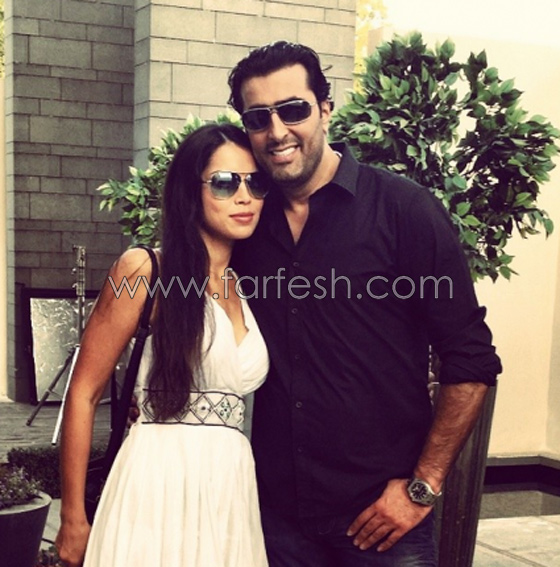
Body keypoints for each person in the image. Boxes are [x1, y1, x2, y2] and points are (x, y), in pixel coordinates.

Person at [227, 41, 502, 567]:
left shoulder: (404, 209)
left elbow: (471, 359)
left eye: (293, 110)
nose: (277, 131)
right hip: (275, 520)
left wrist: (423, 487)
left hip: (384, 522)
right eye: (258, 118)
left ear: (325, 110)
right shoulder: (246, 223)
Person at [55, 124, 270, 567]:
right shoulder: (145, 269)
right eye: (225, 183)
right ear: (191, 191)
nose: (244, 196)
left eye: (256, 182)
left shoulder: (248, 287)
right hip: (156, 487)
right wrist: (73, 517)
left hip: (230, 492)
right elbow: (84, 392)